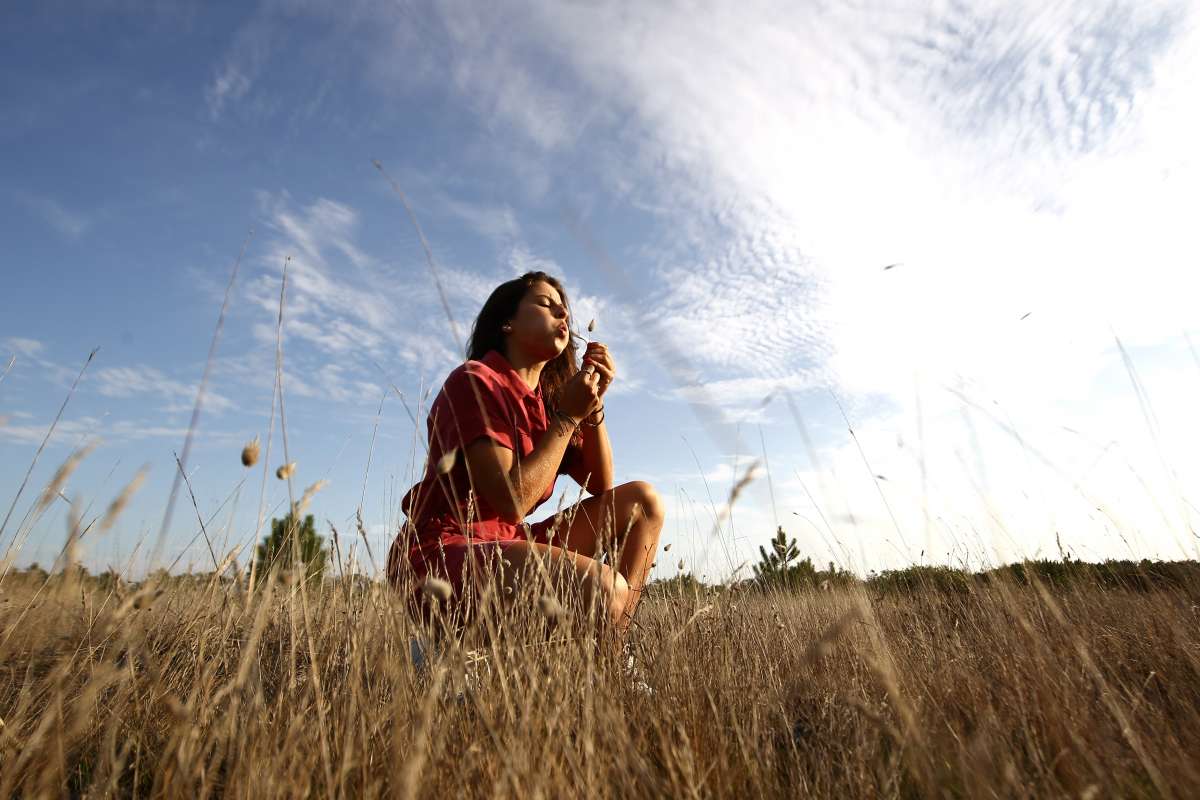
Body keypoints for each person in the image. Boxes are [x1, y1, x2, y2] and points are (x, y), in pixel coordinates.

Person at [386, 271, 665, 658]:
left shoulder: (545, 404)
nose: (562, 314)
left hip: (506, 544)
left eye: (565, 310)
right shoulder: (475, 381)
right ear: (507, 322)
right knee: (606, 591)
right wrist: (567, 418)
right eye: (545, 304)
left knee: (644, 501)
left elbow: (600, 483)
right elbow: (511, 500)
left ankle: (610, 660)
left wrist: (593, 404)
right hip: (444, 554)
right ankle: (444, 645)